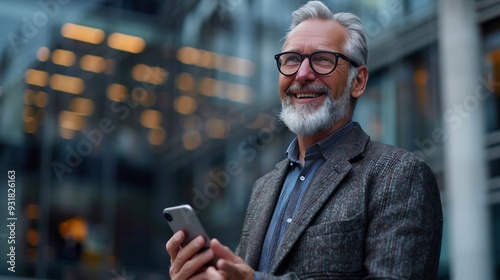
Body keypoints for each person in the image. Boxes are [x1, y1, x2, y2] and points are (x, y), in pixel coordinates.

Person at [166, 1, 443, 279]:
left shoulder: (400, 175)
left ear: (357, 81)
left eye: (323, 59)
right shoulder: (263, 188)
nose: (302, 74)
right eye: (291, 60)